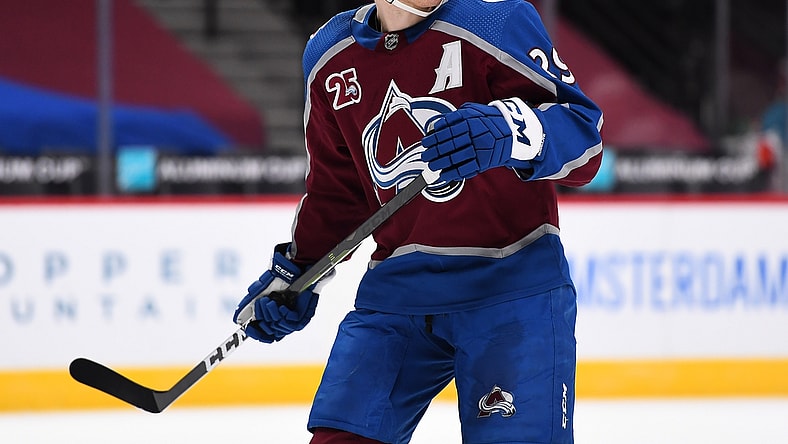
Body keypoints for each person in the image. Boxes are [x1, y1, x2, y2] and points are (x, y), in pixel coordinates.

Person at [233, 0, 603, 442]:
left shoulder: (494, 20)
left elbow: (585, 140)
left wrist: (514, 132)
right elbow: (339, 192)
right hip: (398, 295)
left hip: (511, 287)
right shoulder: (329, 55)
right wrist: (296, 271)